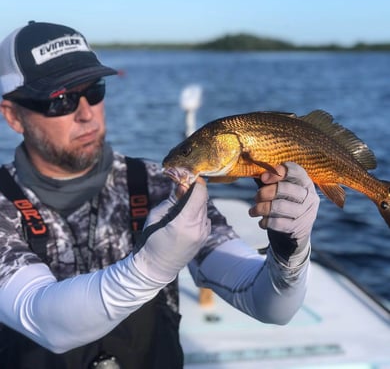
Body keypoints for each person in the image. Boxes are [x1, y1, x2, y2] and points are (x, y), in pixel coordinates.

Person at [0, 21, 320, 369]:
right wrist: (150, 269)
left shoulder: (158, 184)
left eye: (95, 90)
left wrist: (290, 250)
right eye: (60, 100)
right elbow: (44, 321)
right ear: (13, 116)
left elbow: (270, 306)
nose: (86, 113)